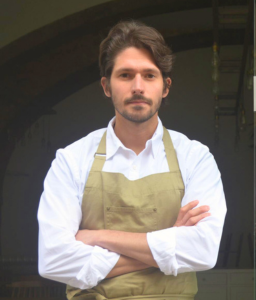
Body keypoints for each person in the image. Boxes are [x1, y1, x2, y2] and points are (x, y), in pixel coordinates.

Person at [36, 20, 227, 300]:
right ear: (106, 86)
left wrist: (99, 237)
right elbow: (53, 260)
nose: (138, 87)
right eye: (125, 75)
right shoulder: (72, 160)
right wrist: (170, 240)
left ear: (165, 87)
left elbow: (203, 252)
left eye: (149, 75)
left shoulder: (195, 158)